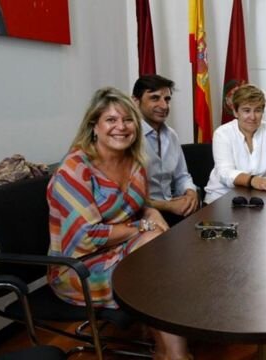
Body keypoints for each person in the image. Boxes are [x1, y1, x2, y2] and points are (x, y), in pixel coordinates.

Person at [47, 87, 191, 360]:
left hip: (125, 251)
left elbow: (138, 205)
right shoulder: (75, 169)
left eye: (127, 120)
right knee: (158, 257)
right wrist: (144, 228)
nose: (121, 127)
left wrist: (151, 214)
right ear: (94, 126)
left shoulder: (134, 162)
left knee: (165, 252)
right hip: (79, 267)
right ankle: (174, 352)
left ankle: (168, 347)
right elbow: (87, 237)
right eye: (111, 120)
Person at [204, 84, 266, 203]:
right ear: (236, 112)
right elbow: (225, 173)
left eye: (258, 110)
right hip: (220, 199)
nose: (252, 117)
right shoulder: (222, 133)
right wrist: (254, 180)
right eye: (246, 110)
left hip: (254, 198)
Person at [132, 74, 198, 226]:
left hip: (174, 208)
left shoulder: (171, 135)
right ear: (135, 101)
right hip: (141, 214)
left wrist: (191, 192)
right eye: (155, 98)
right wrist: (169, 206)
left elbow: (182, 175)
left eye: (167, 99)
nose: (164, 106)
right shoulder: (128, 137)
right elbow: (127, 197)